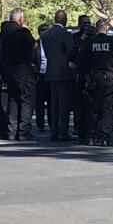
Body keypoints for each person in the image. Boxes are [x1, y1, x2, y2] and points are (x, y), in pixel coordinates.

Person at [77, 19, 113, 146]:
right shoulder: (112, 42)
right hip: (110, 78)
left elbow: (80, 60)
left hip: (94, 78)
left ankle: (90, 136)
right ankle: (104, 137)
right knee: (107, 109)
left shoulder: (90, 43)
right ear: (107, 29)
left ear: (96, 28)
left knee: (92, 108)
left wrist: (86, 75)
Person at [1, 8, 37, 141]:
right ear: (20, 18)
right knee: (26, 100)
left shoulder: (4, 31)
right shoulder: (22, 32)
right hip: (23, 68)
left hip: (9, 68)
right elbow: (34, 45)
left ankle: (11, 130)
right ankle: (23, 131)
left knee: (13, 99)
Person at [42, 10, 75, 141]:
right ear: (64, 20)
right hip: (64, 72)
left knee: (53, 104)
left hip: (50, 71)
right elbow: (71, 52)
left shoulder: (45, 35)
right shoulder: (65, 34)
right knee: (64, 105)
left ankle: (53, 131)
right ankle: (63, 132)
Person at [71, 15, 92, 138]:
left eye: (88, 23)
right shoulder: (75, 37)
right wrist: (82, 38)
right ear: (79, 24)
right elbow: (72, 54)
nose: (86, 26)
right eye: (84, 23)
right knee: (78, 103)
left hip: (93, 74)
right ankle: (77, 126)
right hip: (79, 73)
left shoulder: (94, 38)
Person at [34, 23, 51, 133]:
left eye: (46, 30)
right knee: (39, 102)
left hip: (50, 74)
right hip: (39, 75)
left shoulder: (52, 44)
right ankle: (40, 125)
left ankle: (52, 123)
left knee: (51, 101)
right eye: (42, 30)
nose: (44, 32)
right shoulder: (35, 44)